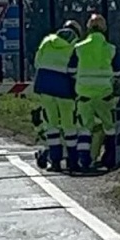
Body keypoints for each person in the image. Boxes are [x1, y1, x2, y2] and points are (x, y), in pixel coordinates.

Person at [69, 13, 120, 171]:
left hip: (84, 95)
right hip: (104, 95)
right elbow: (119, 71)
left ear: (88, 28)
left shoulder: (79, 48)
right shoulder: (111, 49)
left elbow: (71, 70)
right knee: (110, 128)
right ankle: (110, 157)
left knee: (85, 128)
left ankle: (84, 160)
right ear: (104, 29)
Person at [32, 19, 83, 172]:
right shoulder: (75, 45)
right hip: (64, 87)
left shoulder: (47, 40)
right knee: (69, 126)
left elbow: (37, 62)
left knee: (51, 125)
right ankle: (72, 162)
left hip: (44, 85)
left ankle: (55, 162)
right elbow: (74, 70)